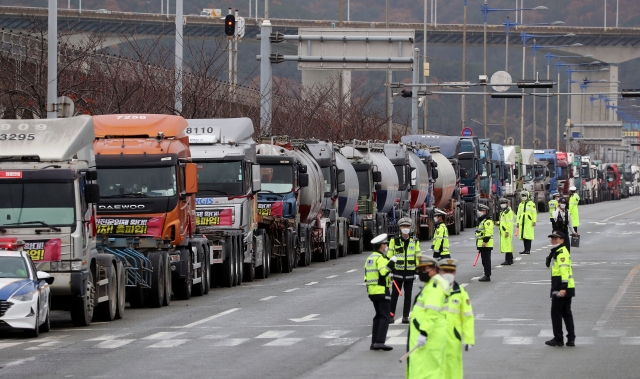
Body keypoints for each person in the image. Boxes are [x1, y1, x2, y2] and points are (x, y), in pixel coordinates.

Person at [406, 255, 450, 379]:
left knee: (427, 373)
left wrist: (424, 333)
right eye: (420, 270)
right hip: (430, 336)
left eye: (425, 270)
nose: (422, 273)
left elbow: (432, 312)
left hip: (429, 337)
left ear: (434, 269)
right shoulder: (431, 285)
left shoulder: (434, 287)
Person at [439, 258, 475, 379]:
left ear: (454, 273)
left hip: (453, 339)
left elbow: (468, 317)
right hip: (434, 338)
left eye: (451, 271)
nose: (448, 274)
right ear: (440, 272)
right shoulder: (432, 290)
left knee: (454, 370)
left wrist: (469, 338)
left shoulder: (461, 293)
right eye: (445, 271)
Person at [364, 233, 396, 351]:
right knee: (385, 317)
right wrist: (391, 263)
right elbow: (383, 272)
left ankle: (374, 342)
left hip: (372, 291)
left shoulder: (370, 258)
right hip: (382, 290)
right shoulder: (381, 258)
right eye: (385, 244)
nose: (386, 246)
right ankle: (380, 341)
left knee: (378, 316)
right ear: (382, 246)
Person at [544, 231, 575, 347]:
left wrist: (563, 288)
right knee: (566, 313)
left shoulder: (561, 253)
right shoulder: (558, 251)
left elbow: (564, 272)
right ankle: (571, 339)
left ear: (562, 240)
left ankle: (558, 338)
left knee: (556, 313)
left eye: (556, 239)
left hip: (561, 287)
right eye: (552, 238)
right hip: (567, 287)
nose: (553, 240)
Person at [387, 217, 419, 324]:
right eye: (404, 226)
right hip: (397, 273)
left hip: (410, 272)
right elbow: (389, 256)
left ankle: (405, 316)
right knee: (394, 295)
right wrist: (390, 270)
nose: (406, 228)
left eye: (408, 226)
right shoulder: (394, 240)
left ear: (410, 228)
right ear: (400, 228)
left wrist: (418, 271)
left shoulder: (414, 241)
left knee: (408, 295)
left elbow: (418, 256)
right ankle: (391, 315)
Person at [475, 204, 494, 282]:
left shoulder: (487, 221)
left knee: (486, 260)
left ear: (485, 211)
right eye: (479, 211)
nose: (480, 212)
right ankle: (486, 274)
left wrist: (485, 241)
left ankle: (487, 275)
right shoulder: (482, 221)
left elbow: (488, 232)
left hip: (486, 244)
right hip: (482, 244)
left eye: (481, 211)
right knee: (484, 260)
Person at [517, 190, 536, 255]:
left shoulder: (531, 204)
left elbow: (534, 213)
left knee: (528, 236)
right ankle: (525, 249)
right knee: (524, 237)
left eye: (525, 196)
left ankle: (528, 250)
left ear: (528, 196)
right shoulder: (521, 204)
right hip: (522, 222)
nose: (524, 197)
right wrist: (517, 222)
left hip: (529, 222)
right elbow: (518, 214)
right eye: (522, 196)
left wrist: (534, 221)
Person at [497, 198, 515, 265]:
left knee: (507, 246)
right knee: (508, 245)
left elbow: (509, 223)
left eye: (504, 203)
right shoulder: (503, 212)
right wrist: (498, 223)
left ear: (507, 204)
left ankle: (508, 260)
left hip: (506, 231)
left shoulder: (508, 212)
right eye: (501, 203)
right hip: (504, 230)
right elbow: (503, 222)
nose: (502, 205)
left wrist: (507, 231)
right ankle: (510, 259)